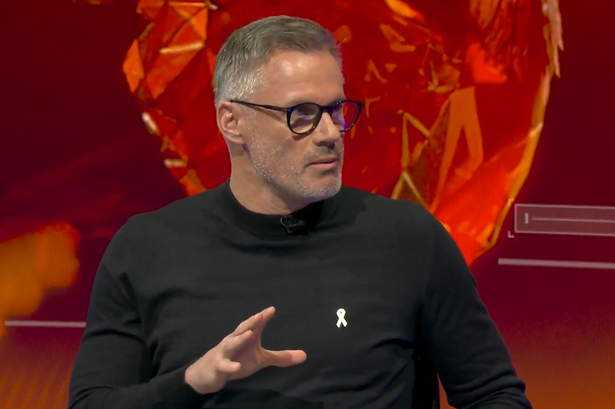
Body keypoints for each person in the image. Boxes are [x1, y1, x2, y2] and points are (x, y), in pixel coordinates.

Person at [68, 15, 532, 409]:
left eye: (336, 110)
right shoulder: (146, 249)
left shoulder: (410, 239)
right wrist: (192, 382)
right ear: (232, 122)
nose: (330, 133)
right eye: (303, 114)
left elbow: (495, 396)